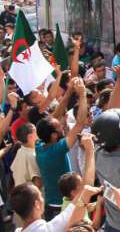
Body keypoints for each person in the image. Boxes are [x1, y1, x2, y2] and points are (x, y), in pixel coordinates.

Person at [35, 77, 87, 220]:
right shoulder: (58, 150)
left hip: (50, 205)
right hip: (62, 207)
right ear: (53, 136)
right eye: (60, 127)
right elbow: (81, 122)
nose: (63, 124)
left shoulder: (39, 146)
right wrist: (82, 94)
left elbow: (54, 117)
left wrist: (69, 90)